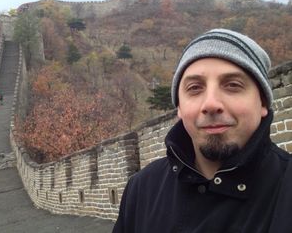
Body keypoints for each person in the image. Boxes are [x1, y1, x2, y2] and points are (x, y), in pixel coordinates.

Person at [113, 29, 292, 233]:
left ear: (263, 102)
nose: (210, 104)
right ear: (179, 107)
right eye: (195, 88)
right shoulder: (142, 189)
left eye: (233, 85)